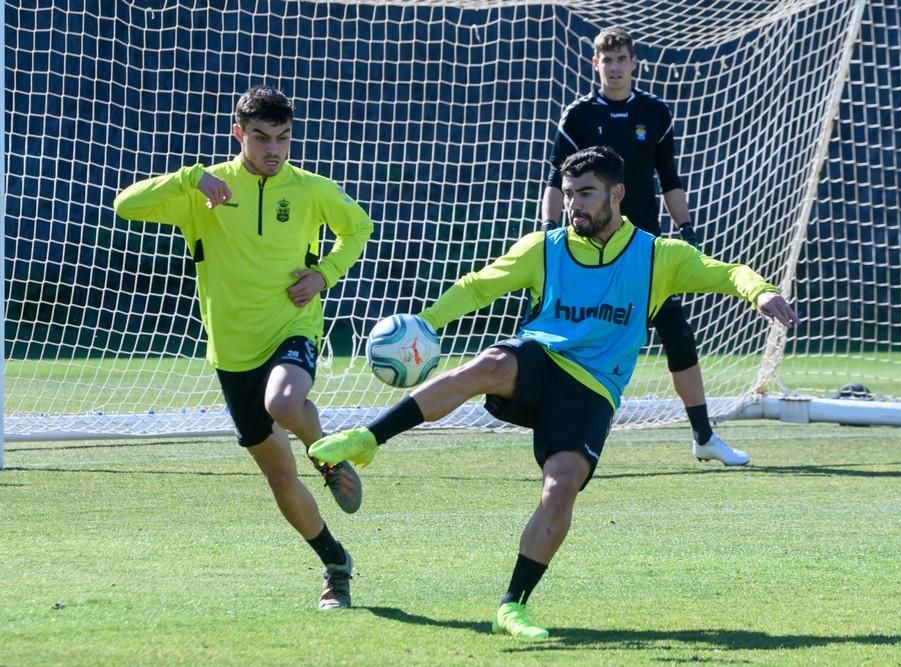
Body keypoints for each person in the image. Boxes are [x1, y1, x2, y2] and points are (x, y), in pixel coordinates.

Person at [309, 146, 799, 637]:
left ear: (618, 193)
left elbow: (726, 271)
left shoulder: (658, 256)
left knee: (561, 486)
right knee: (492, 362)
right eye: (568, 195)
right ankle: (367, 440)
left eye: (586, 194)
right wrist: (427, 324)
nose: (574, 206)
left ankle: (512, 606)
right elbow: (479, 286)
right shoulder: (545, 248)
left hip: (592, 391)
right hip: (540, 361)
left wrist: (760, 291)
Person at [112, 85, 374, 610]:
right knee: (279, 478)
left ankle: (326, 454)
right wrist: (191, 175)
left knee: (282, 403)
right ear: (239, 135)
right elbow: (126, 205)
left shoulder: (312, 189)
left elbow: (359, 228)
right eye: (260, 138)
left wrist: (324, 274)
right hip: (232, 353)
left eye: (282, 138)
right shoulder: (205, 191)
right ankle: (334, 563)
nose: (272, 149)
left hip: (293, 328)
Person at [539, 27, 750, 465]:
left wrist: (686, 226)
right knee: (558, 337)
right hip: (586, 253)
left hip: (641, 252)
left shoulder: (655, 114)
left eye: (621, 59)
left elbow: (669, 180)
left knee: (678, 336)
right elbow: (556, 182)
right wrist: (549, 231)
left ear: (634, 63)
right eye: (607, 60)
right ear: (595, 64)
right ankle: (553, 436)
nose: (615, 67)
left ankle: (704, 437)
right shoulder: (577, 116)